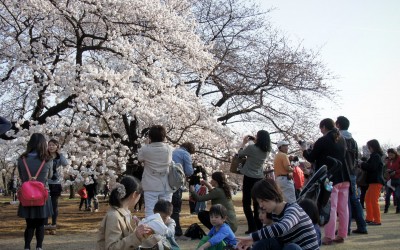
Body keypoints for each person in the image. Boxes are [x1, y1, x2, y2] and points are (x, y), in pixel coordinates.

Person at [300, 118, 350, 245]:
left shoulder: (322, 140)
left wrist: (304, 149)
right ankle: (342, 234)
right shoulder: (342, 139)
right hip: (344, 176)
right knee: (343, 207)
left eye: (320, 128)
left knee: (330, 207)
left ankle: (329, 236)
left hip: (330, 178)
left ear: (323, 127)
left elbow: (311, 157)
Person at [236, 179, 319, 250]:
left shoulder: (293, 209)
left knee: (292, 247)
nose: (260, 205)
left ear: (272, 195)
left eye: (262, 201)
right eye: (259, 202)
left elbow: (283, 227)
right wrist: (253, 242)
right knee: (268, 240)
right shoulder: (274, 214)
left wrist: (253, 237)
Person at [17, 133, 53, 250]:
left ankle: (27, 247)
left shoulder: (22, 159)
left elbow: (22, 177)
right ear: (43, 144)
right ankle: (39, 247)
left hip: (27, 195)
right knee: (40, 225)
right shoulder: (48, 160)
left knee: (29, 225)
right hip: (42, 196)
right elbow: (50, 175)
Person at [97, 176, 152, 249]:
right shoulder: (114, 216)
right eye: (140, 196)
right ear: (134, 194)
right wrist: (136, 236)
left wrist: (137, 228)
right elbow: (111, 247)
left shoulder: (126, 212)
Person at [335, 116, 368, 235]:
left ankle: (345, 228)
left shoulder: (338, 138)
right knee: (354, 199)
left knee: (344, 200)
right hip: (352, 172)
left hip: (342, 172)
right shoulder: (353, 140)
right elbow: (355, 158)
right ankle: (362, 226)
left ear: (338, 125)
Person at [237, 130, 271, 233]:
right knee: (257, 202)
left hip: (249, 177)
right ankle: (259, 225)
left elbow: (240, 154)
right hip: (259, 177)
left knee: (246, 202)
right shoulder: (267, 150)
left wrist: (243, 143)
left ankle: (252, 226)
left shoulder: (252, 148)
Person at [138, 125, 174, 217]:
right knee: (166, 212)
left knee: (150, 211)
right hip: (165, 184)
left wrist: (146, 144)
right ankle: (165, 230)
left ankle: (151, 230)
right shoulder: (169, 149)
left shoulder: (145, 149)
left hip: (150, 184)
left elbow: (140, 158)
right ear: (164, 136)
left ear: (150, 137)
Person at [45, 138, 69, 233]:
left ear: (57, 147)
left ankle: (53, 224)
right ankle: (45, 225)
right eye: (49, 145)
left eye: (53, 145)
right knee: (45, 204)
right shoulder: (44, 155)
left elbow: (65, 164)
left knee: (54, 205)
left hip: (56, 183)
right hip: (45, 183)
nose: (51, 147)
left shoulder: (60, 157)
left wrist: (60, 154)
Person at [171, 142, 195, 236]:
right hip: (177, 183)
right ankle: (177, 231)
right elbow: (189, 171)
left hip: (166, 182)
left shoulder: (173, 151)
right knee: (176, 208)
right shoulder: (185, 154)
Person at [360, 139, 385, 226]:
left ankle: (377, 220)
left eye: (368, 147)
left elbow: (372, 167)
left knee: (373, 200)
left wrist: (362, 164)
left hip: (376, 181)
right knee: (368, 200)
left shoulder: (375, 156)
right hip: (374, 181)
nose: (368, 148)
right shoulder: (375, 156)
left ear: (372, 147)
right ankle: (370, 218)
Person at [385, 148, 400, 213]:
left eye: (391, 155)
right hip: (390, 180)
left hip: (398, 179)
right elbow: (388, 168)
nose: (390, 156)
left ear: (395, 153)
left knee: (397, 195)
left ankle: (398, 208)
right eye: (389, 155)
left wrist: (395, 172)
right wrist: (388, 171)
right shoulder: (389, 161)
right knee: (387, 195)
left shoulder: (399, 159)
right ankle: (386, 208)